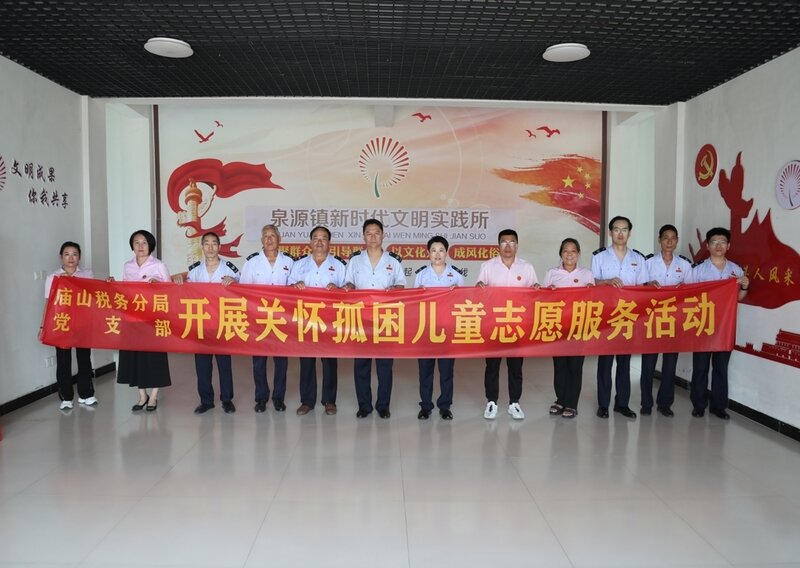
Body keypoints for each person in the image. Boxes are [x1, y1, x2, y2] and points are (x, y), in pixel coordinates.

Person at [343, 218, 405, 419]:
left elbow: (401, 285)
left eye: (376, 233)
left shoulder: (393, 261)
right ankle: (364, 406)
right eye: (368, 233)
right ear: (363, 236)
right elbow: (348, 283)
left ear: (383, 235)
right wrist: (349, 287)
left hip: (386, 319)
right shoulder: (355, 260)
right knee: (361, 365)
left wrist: (395, 288)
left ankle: (383, 405)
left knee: (384, 365)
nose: (372, 237)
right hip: (361, 318)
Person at [686, 227, 749, 420]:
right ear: (707, 245)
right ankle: (698, 404)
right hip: (703, 324)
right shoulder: (697, 269)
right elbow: (687, 296)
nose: (718, 246)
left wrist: (744, 286)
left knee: (721, 367)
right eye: (714, 242)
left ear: (728, 246)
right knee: (701, 367)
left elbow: (738, 298)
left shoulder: (736, 270)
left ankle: (718, 406)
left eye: (722, 242)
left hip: (725, 326)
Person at [476, 229, 538, 421]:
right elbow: (479, 291)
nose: (508, 246)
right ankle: (491, 401)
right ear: (498, 245)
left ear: (517, 245)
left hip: (517, 325)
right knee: (492, 366)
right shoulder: (488, 266)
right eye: (504, 242)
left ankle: (514, 403)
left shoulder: (527, 267)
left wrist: (536, 289)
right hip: (494, 324)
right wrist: (479, 287)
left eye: (512, 242)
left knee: (516, 366)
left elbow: (535, 292)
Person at [591, 215, 649, 420]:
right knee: (605, 363)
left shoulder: (638, 259)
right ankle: (603, 405)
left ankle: (622, 404)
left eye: (624, 230)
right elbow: (592, 283)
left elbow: (642, 287)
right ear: (610, 232)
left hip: (628, 316)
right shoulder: (599, 257)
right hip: (606, 316)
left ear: (629, 233)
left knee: (625, 363)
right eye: (616, 229)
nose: (620, 233)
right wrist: (606, 281)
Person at [288, 225, 346, 416]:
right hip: (306, 319)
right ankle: (307, 401)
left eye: (323, 238)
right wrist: (295, 285)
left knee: (329, 362)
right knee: (306, 361)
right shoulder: (299, 264)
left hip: (330, 321)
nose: (319, 242)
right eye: (316, 238)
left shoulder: (339, 265)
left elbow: (348, 288)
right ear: (310, 242)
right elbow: (287, 288)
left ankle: (329, 401)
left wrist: (338, 288)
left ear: (329, 243)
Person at [181, 232, 239, 415]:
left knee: (224, 365)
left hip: (222, 322)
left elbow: (243, 289)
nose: (211, 247)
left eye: (214, 243)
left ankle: (227, 400)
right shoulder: (195, 271)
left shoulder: (230, 269)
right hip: (201, 324)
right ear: (202, 247)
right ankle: (206, 401)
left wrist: (234, 282)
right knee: (202, 366)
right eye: (207, 244)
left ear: (219, 247)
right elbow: (187, 294)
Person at [239, 224, 294, 413]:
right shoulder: (252, 262)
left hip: (282, 319)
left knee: (281, 362)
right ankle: (261, 397)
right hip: (259, 318)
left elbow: (294, 290)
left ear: (279, 239)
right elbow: (243, 291)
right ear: (261, 240)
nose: (269, 239)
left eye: (272, 235)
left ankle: (279, 398)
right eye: (265, 236)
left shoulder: (289, 262)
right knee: (259, 362)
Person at [639, 224, 693, 417]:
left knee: (670, 365)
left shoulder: (685, 265)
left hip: (674, 321)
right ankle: (646, 403)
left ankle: (665, 403)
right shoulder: (648, 262)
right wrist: (647, 284)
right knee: (648, 365)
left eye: (673, 238)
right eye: (665, 238)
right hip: (652, 319)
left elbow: (692, 292)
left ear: (677, 240)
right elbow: (639, 287)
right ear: (659, 240)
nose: (669, 242)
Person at [115, 230, 172, 412]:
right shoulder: (128, 266)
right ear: (132, 245)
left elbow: (170, 291)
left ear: (150, 245)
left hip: (153, 319)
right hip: (132, 319)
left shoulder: (159, 265)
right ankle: (142, 395)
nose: (140, 246)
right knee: (136, 357)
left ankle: (153, 396)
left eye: (144, 242)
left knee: (154, 358)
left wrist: (158, 285)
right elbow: (124, 290)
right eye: (136, 242)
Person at [542, 238, 594, 419]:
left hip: (579, 327)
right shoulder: (552, 273)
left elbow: (593, 302)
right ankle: (560, 400)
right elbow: (542, 299)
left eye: (573, 251)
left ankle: (572, 403)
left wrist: (591, 290)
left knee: (575, 366)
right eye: (565, 250)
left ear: (578, 254)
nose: (569, 254)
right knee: (560, 366)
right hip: (558, 327)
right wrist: (549, 291)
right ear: (560, 253)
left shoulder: (587, 274)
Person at [414, 236, 465, 420]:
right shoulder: (421, 275)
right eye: (434, 250)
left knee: (446, 371)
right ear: (428, 253)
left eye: (441, 250)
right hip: (426, 329)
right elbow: (414, 303)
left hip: (447, 329)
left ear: (446, 252)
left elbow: (462, 302)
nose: (437, 254)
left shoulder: (456, 275)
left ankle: (445, 406)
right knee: (425, 370)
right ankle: (425, 406)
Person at [43, 241, 97, 411]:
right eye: (67, 254)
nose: (71, 258)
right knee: (63, 360)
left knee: (84, 358)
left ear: (79, 257)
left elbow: (95, 296)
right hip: (62, 323)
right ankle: (66, 397)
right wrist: (44, 327)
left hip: (83, 322)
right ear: (61, 257)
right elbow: (49, 304)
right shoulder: (53, 277)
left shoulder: (87, 274)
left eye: (75, 254)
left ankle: (86, 394)